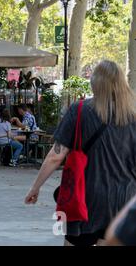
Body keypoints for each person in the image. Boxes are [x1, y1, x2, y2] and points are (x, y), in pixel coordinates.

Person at [25, 60, 136, 246]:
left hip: (85, 197)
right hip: (123, 199)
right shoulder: (132, 116)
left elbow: (55, 156)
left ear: (95, 83)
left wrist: (35, 187)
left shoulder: (80, 110)